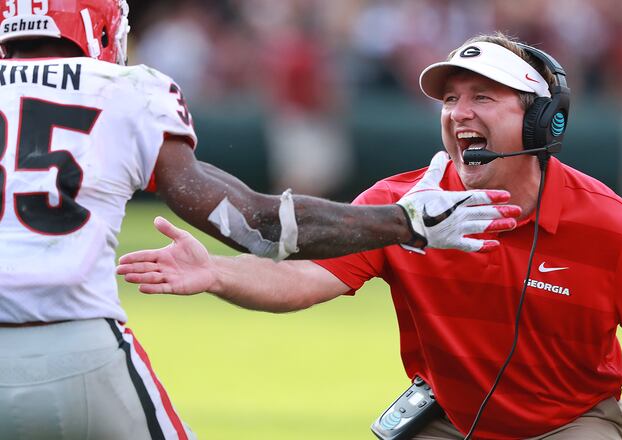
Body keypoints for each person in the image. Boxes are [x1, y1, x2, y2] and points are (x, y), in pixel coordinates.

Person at [117, 32, 622, 440]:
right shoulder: (398, 206)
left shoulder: (609, 225)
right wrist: (218, 273)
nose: (459, 114)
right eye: (450, 100)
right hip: (447, 418)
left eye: (483, 97)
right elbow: (305, 279)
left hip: (570, 423)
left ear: (541, 118)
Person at [0, 2, 521, 439]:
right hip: (79, 342)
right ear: (104, 26)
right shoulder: (128, 90)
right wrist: (406, 222)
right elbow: (259, 225)